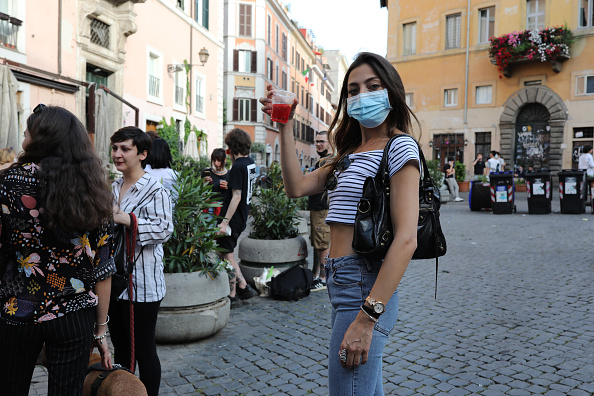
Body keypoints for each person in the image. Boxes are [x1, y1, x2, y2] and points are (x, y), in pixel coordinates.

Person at [260, 52, 420, 395]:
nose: (362, 95)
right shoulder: (348, 155)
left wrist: (367, 318)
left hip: (365, 285)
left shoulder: (399, 147)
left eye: (372, 86)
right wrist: (284, 126)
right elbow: (296, 187)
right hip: (341, 281)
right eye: (353, 90)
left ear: (390, 91)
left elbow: (407, 239)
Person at [0, 105, 114, 395]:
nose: (23, 135)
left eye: (27, 131)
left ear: (40, 138)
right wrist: (101, 331)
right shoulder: (93, 188)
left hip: (17, 309)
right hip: (73, 313)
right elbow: (102, 269)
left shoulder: (7, 183)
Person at [109, 127, 173, 396]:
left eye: (125, 149)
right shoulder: (113, 186)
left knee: (144, 350)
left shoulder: (154, 189)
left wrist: (125, 219)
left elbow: (164, 229)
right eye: (115, 148)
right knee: (122, 349)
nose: (118, 154)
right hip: (115, 281)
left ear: (143, 154)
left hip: (143, 284)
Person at [217, 129, 258, 309]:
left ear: (232, 147)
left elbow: (236, 196)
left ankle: (234, 293)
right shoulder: (250, 163)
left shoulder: (238, 167)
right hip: (242, 215)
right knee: (227, 252)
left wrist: (224, 222)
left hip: (232, 218)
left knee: (226, 253)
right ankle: (243, 286)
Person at [308, 131, 331, 291]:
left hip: (322, 208)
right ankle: (316, 274)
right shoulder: (322, 160)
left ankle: (323, 278)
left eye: (322, 141)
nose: (318, 144)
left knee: (322, 244)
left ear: (329, 143)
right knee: (317, 243)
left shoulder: (326, 161)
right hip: (318, 208)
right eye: (316, 141)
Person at [201, 148, 229, 216]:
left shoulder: (230, 175)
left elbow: (235, 194)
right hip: (210, 208)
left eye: (219, 160)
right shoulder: (206, 172)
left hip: (225, 209)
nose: (216, 163)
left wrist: (229, 187)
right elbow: (200, 192)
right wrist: (203, 183)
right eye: (214, 160)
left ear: (225, 160)